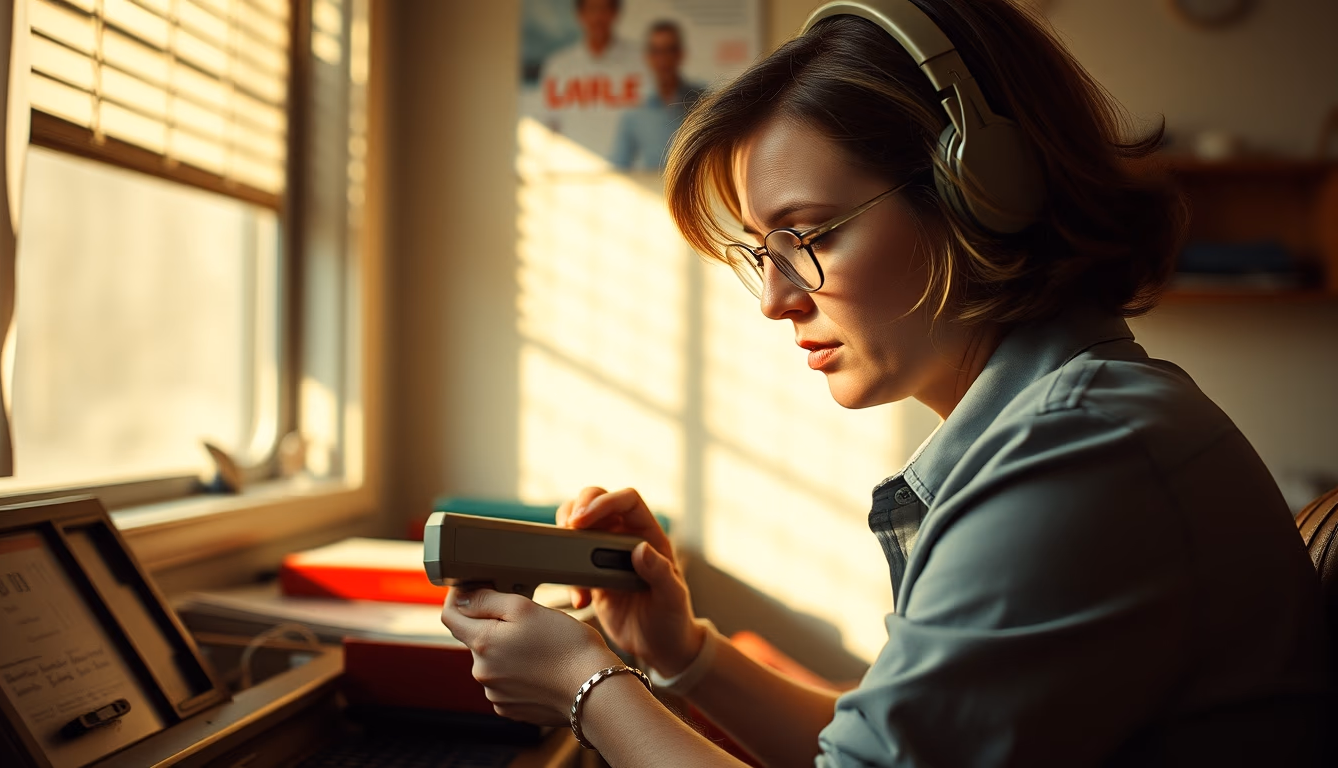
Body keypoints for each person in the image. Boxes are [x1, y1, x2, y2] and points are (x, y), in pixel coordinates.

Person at [442, 1, 1331, 765]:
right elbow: (882, 747)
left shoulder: (1083, 454)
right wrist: (682, 654)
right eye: (764, 253)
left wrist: (586, 686)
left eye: (812, 234)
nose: (776, 299)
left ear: (981, 191)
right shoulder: (1071, 428)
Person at [539, 0, 647, 161]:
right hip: (573, 171)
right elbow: (548, 125)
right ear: (580, 15)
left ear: (615, 13)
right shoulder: (559, 66)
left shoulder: (642, 61)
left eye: (604, 9)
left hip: (628, 175)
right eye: (592, 9)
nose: (598, 17)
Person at [610, 20, 706, 172]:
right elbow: (618, 168)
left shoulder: (704, 103)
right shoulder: (635, 115)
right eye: (656, 51)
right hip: (652, 193)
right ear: (648, 57)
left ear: (680, 54)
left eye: (669, 50)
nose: (663, 59)